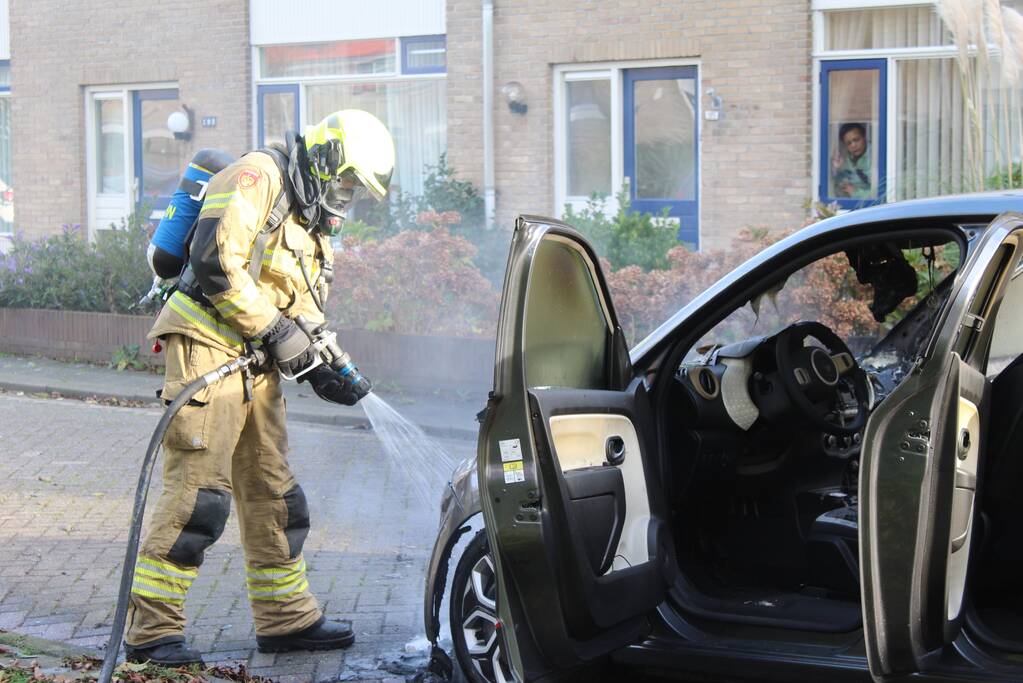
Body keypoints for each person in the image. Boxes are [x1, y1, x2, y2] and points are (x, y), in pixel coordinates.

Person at [123, 110, 396, 666]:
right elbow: (213, 259)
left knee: (274, 491)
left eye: (354, 192)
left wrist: (333, 367)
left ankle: (286, 619)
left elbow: (306, 311)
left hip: (254, 359)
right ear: (323, 160)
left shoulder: (313, 224)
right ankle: (151, 633)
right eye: (344, 183)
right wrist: (276, 331)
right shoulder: (256, 177)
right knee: (200, 492)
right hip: (206, 343)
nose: (345, 199)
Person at [831, 122, 873, 199]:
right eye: (848, 143)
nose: (853, 145)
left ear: (865, 137)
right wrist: (836, 169)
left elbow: (880, 193)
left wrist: (856, 192)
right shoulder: (845, 161)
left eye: (856, 140)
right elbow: (837, 189)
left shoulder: (876, 156)